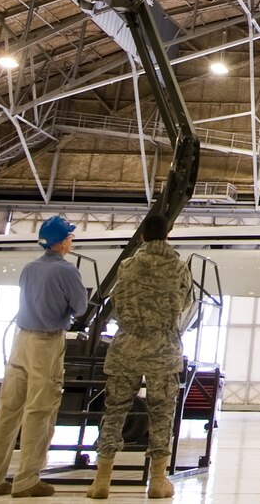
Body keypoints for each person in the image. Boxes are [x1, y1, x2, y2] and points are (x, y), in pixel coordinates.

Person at [0, 215, 88, 498]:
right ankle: (27, 479)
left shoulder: (29, 269)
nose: (72, 240)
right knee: (39, 411)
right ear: (63, 241)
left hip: (21, 342)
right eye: (70, 236)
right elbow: (80, 306)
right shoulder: (67, 271)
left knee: (7, 412)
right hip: (46, 343)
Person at [87, 214, 193, 501]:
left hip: (127, 347)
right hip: (163, 348)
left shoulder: (127, 266)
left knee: (115, 411)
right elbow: (186, 303)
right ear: (167, 235)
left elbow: (117, 301)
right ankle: (157, 482)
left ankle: (101, 481)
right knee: (161, 415)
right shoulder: (180, 268)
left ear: (142, 237)